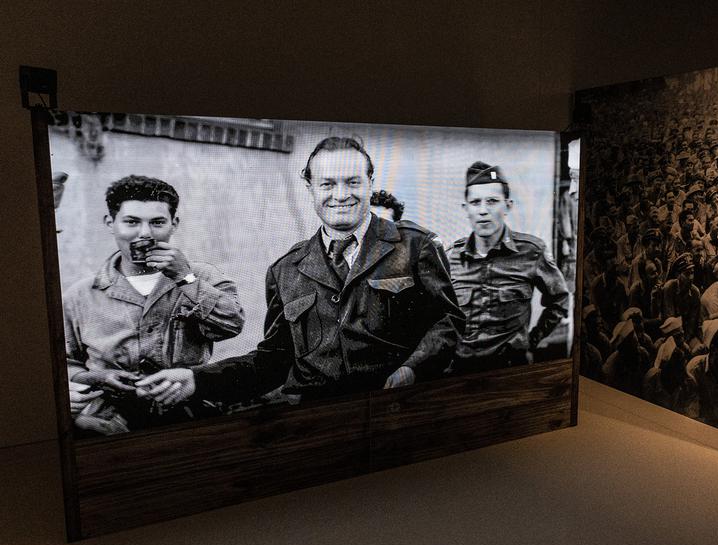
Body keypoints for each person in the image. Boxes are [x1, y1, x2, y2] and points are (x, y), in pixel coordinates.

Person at [139, 137, 465, 403]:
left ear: (369, 183)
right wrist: (198, 381)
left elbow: (447, 324)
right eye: (327, 184)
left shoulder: (415, 245)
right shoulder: (287, 270)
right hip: (319, 422)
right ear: (309, 187)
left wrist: (412, 370)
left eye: (353, 182)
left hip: (402, 411)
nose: (341, 195)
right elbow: (272, 362)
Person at [64, 175, 245, 435]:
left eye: (157, 222)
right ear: (110, 223)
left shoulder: (202, 277)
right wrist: (96, 378)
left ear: (174, 224)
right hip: (108, 424)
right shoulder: (81, 295)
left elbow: (232, 325)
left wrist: (185, 279)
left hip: (189, 416)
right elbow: (65, 362)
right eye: (131, 222)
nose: (145, 234)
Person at [447, 161, 570, 373]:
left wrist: (531, 341)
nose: (483, 211)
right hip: (459, 370)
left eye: (492, 201)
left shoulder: (532, 252)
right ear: (465, 209)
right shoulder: (451, 257)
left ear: (508, 205)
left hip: (511, 369)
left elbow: (559, 300)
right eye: (475, 202)